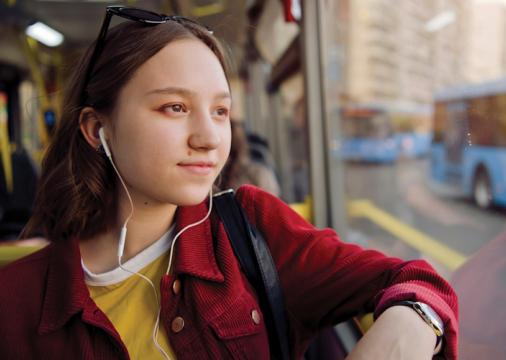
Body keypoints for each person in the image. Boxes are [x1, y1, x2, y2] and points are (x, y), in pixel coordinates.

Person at [0, 6, 458, 359]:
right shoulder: (16, 300)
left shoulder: (252, 229)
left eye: (220, 111)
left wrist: (408, 326)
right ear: (98, 129)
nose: (208, 139)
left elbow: (417, 281)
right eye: (174, 107)